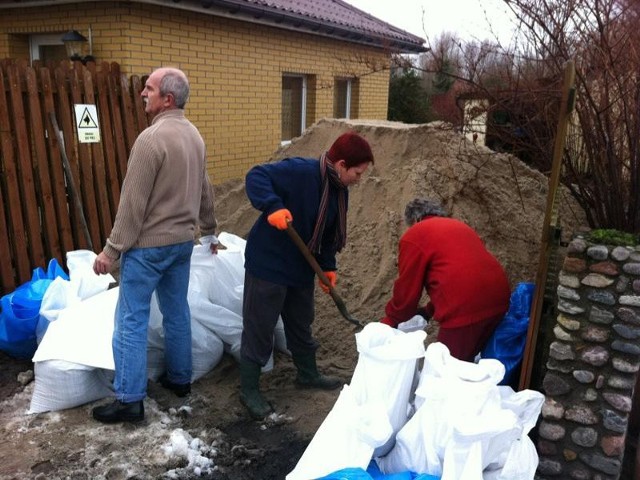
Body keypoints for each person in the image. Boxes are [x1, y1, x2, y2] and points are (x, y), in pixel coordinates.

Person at [91, 67, 219, 423]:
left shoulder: (150, 140)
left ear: (168, 98)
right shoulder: (194, 136)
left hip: (147, 248)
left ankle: (130, 398)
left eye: (149, 88)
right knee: (177, 311)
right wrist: (209, 230)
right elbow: (205, 188)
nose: (142, 94)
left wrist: (111, 251)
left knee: (131, 319)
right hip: (181, 244)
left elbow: (132, 205)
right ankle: (180, 379)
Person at [240, 131, 374, 419]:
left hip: (302, 266)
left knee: (301, 323)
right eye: (358, 172)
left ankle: (307, 374)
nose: (359, 179)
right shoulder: (300, 172)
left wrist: (328, 266)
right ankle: (248, 389)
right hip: (269, 263)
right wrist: (273, 206)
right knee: (260, 326)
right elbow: (256, 176)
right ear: (341, 164)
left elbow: (327, 233)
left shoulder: (339, 192)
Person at [380, 198, 510, 362]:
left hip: (465, 309)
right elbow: (460, 274)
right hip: (499, 300)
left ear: (415, 220)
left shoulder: (415, 234)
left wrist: (390, 320)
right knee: (468, 367)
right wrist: (428, 311)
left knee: (443, 371)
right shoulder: (460, 227)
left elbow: (407, 289)